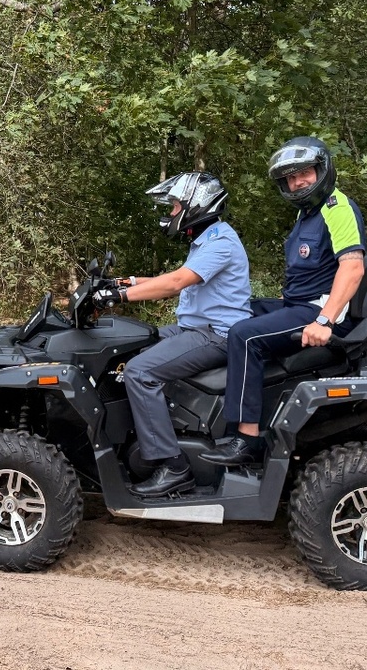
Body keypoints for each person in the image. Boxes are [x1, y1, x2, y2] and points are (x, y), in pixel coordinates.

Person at [201, 137, 367, 467]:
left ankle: (246, 439)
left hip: (318, 310)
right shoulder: (308, 214)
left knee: (244, 336)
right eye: (290, 178)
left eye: (304, 173)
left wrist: (325, 321)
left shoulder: (338, 208)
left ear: (323, 170)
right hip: (300, 304)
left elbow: (352, 267)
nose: (297, 182)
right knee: (237, 313)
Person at [91, 172, 252, 497]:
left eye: (177, 206)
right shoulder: (207, 239)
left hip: (216, 336)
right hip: (194, 329)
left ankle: (172, 466)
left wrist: (118, 298)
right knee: (129, 349)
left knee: (139, 372)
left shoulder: (221, 242)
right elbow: (175, 276)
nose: (173, 212)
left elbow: (176, 283)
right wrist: (128, 282)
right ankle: (139, 434)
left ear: (197, 206)